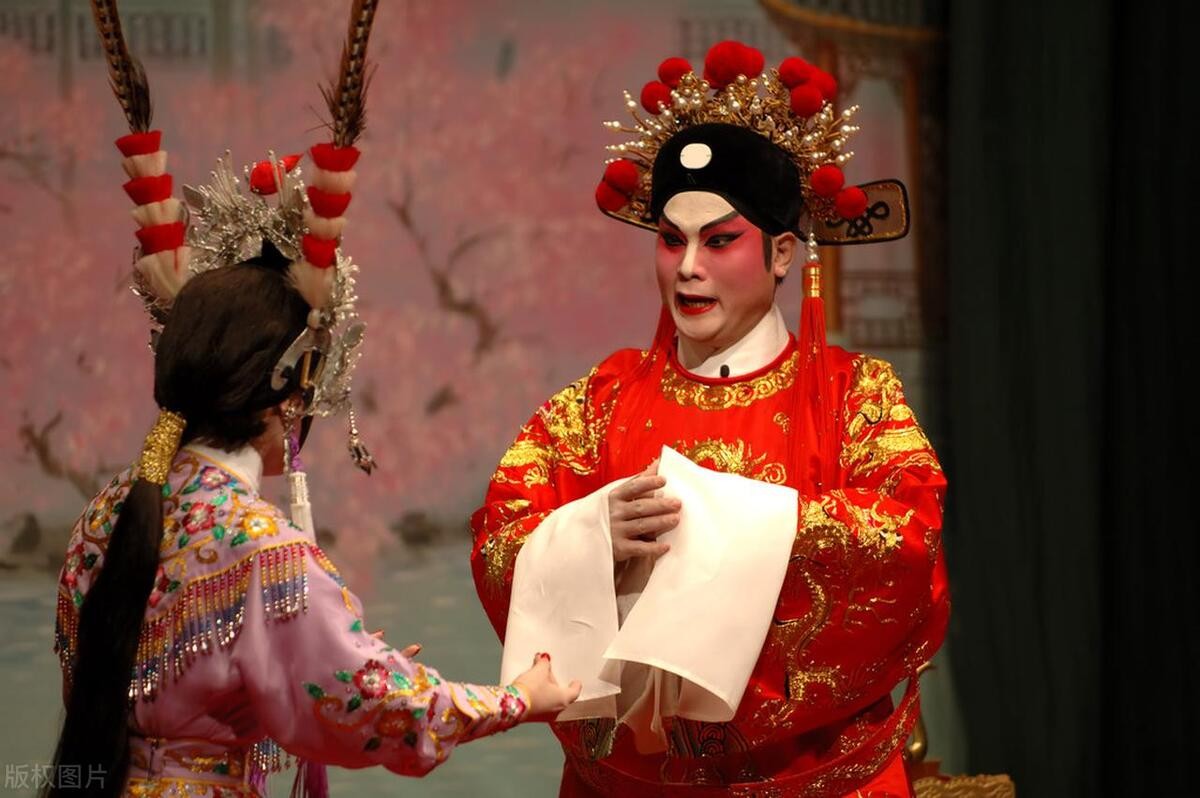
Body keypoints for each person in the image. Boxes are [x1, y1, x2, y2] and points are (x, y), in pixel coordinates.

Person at [46, 4, 578, 797]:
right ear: (291, 395)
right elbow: (379, 706)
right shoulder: (262, 547)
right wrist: (519, 699)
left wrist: (328, 655)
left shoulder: (107, 515)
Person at [471, 40, 947, 797]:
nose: (688, 266)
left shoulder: (856, 397)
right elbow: (500, 537)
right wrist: (590, 538)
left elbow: (908, 540)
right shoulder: (599, 403)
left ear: (782, 253)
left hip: (820, 779)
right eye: (671, 239)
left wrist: (727, 519)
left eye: (720, 240)